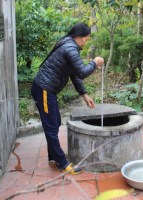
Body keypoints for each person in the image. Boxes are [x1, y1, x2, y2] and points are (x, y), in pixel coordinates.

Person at [31, 22, 104, 175]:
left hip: (47, 90)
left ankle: (54, 156)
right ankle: (62, 163)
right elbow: (82, 72)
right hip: (44, 89)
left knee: (55, 121)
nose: (86, 41)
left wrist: (84, 94)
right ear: (79, 37)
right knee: (51, 126)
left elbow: (74, 74)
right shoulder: (70, 48)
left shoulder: (69, 45)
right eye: (86, 39)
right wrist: (95, 63)